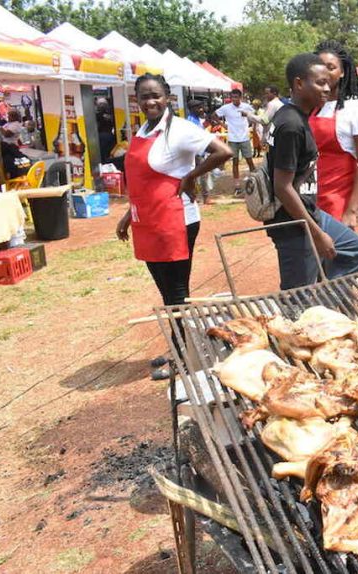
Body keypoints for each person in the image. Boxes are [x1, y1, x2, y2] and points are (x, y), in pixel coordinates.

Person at [115, 74, 232, 377]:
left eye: (155, 95)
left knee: (177, 293)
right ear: (137, 100)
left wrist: (191, 176)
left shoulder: (180, 129)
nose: (150, 101)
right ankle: (180, 350)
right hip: (147, 221)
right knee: (167, 293)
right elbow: (143, 182)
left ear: (167, 96)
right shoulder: (142, 130)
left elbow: (223, 151)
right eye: (144, 96)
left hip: (176, 222)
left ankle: (183, 358)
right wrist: (128, 216)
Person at [264, 53, 358, 290]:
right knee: (297, 297)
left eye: (328, 82)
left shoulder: (298, 116)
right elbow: (282, 187)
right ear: (299, 84)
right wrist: (317, 233)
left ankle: (324, 300)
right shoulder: (290, 124)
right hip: (292, 224)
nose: (327, 88)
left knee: (355, 249)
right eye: (320, 83)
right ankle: (304, 313)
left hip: (311, 212)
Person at [311, 40, 358, 227]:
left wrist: (351, 211)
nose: (324, 72)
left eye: (331, 67)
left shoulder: (355, 108)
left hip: (337, 201)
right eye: (320, 67)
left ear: (343, 72)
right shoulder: (312, 107)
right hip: (309, 197)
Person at [214, 88, 255, 192]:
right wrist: (222, 124)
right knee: (235, 162)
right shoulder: (226, 108)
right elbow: (214, 115)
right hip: (233, 139)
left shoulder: (246, 107)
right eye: (232, 97)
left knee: (249, 160)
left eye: (236, 97)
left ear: (240, 98)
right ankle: (237, 186)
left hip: (244, 137)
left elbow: (254, 116)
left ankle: (255, 181)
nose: (234, 99)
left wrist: (251, 124)